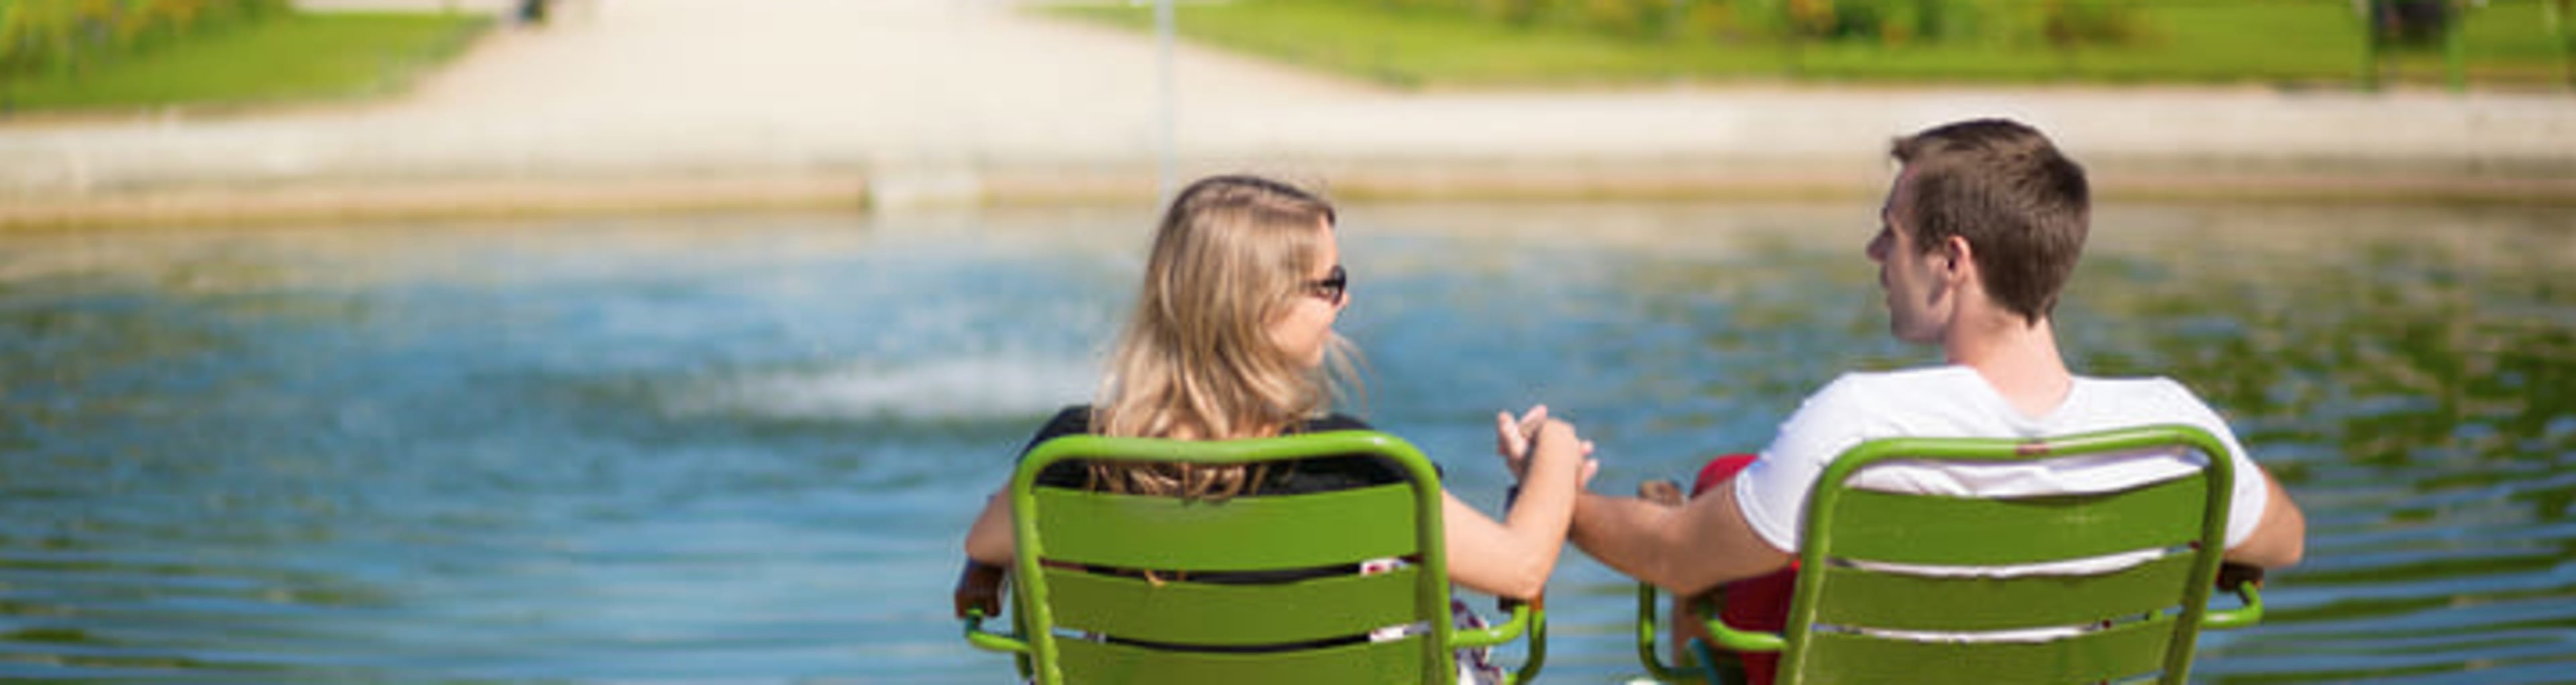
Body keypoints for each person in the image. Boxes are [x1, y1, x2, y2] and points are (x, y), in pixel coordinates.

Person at [1566, 119, 2308, 684]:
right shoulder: (2174, 428)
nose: (1874, 255)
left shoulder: (1863, 425)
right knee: (1738, 487)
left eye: (1891, 234)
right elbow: (2285, 540)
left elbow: (1671, 554)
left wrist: (1557, 499)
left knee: (1724, 504)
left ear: (1953, 260)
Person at [957, 174, 1595, 681]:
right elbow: (1521, 570)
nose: (1344, 301)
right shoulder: (1356, 466)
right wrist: (1556, 454)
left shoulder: (1074, 456)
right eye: (1330, 284)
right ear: (1261, 308)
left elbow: (983, 547)